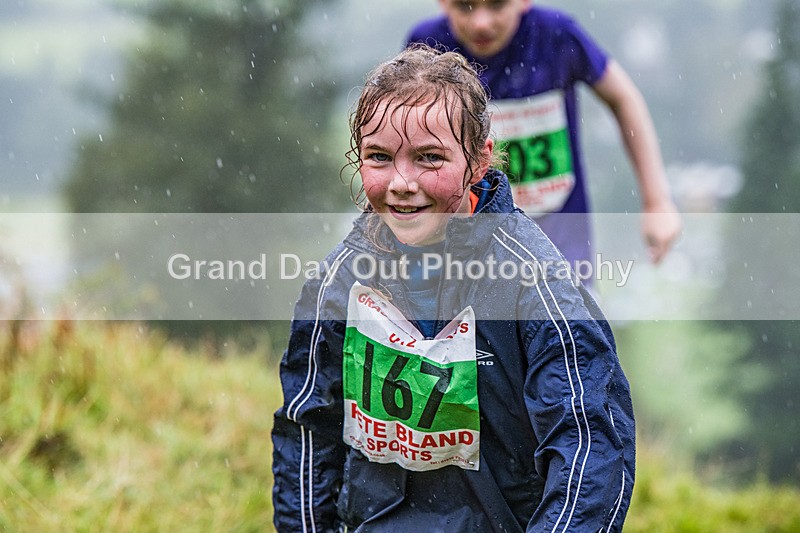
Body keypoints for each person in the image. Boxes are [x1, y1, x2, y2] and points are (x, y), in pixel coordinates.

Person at [271, 45, 635, 532]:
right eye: (379, 157)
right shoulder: (339, 282)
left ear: (479, 160)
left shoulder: (536, 285)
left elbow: (591, 447)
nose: (402, 182)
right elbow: (308, 433)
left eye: (429, 158)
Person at [406, 0, 682, 268]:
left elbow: (623, 98)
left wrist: (656, 201)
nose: (481, 22)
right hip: (466, 261)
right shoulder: (427, 46)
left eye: (497, 4)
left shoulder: (556, 36)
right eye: (464, 5)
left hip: (562, 257)